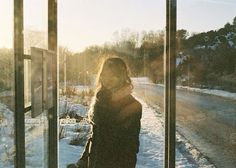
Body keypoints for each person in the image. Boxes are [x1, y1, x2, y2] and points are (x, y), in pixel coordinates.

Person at [68, 57, 142, 168]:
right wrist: (82, 162)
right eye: (104, 74)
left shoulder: (132, 106)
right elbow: (95, 136)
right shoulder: (101, 100)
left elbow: (130, 149)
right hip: (94, 163)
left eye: (112, 75)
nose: (106, 78)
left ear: (121, 76)